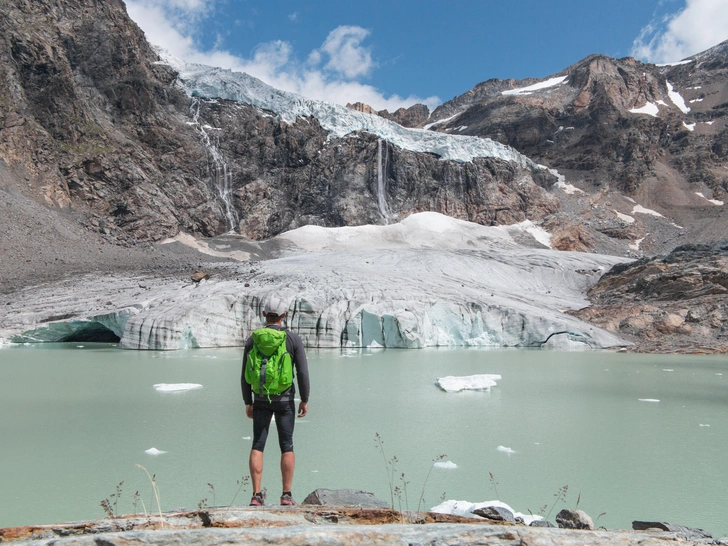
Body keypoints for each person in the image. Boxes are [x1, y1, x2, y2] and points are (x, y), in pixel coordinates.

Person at [241, 296, 310, 506]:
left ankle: (256, 495)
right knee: (286, 445)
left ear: (264, 315)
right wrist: (304, 399)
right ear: (284, 315)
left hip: (260, 398)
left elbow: (244, 374)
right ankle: (286, 496)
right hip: (285, 399)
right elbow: (302, 372)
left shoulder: (253, 339)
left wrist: (248, 401)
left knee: (258, 445)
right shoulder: (292, 339)